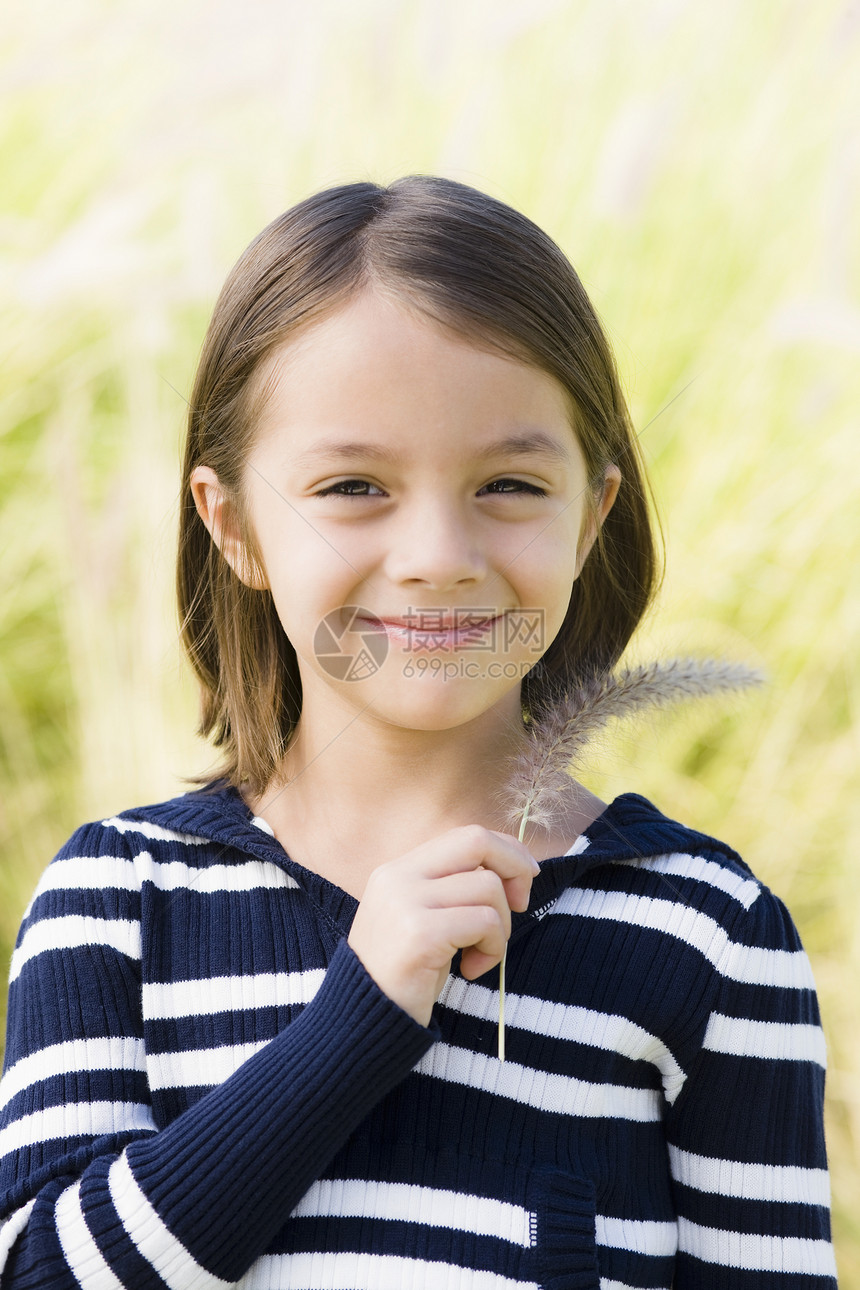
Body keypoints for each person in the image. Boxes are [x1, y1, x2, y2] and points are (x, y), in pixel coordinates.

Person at [0, 177, 836, 1289]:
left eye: (506, 483)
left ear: (589, 515)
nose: (437, 552)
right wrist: (357, 1019)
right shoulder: (119, 899)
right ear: (233, 525)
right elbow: (45, 1274)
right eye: (351, 486)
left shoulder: (707, 935)